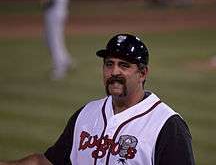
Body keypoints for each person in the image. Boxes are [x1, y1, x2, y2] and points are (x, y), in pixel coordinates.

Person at [0, 33, 195, 165]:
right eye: (109, 64)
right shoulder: (87, 114)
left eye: (124, 65)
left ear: (142, 73)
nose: (114, 72)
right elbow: (50, 162)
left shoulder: (167, 125)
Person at [42, 0, 73, 80]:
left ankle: (60, 68)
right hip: (60, 10)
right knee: (52, 40)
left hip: (54, 11)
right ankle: (66, 61)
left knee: (54, 41)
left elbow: (48, 2)